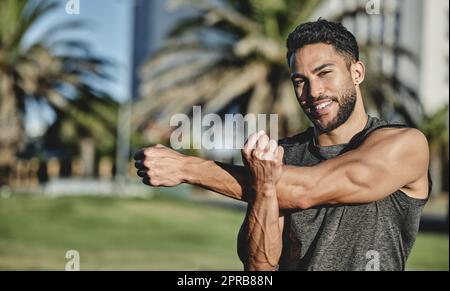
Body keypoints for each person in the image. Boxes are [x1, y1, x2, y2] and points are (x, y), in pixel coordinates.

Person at [134, 19, 430, 271]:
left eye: (324, 73)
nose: (313, 91)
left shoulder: (405, 144)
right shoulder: (282, 156)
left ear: (357, 73)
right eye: (300, 80)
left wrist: (187, 167)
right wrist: (263, 189)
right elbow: (259, 267)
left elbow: (306, 189)